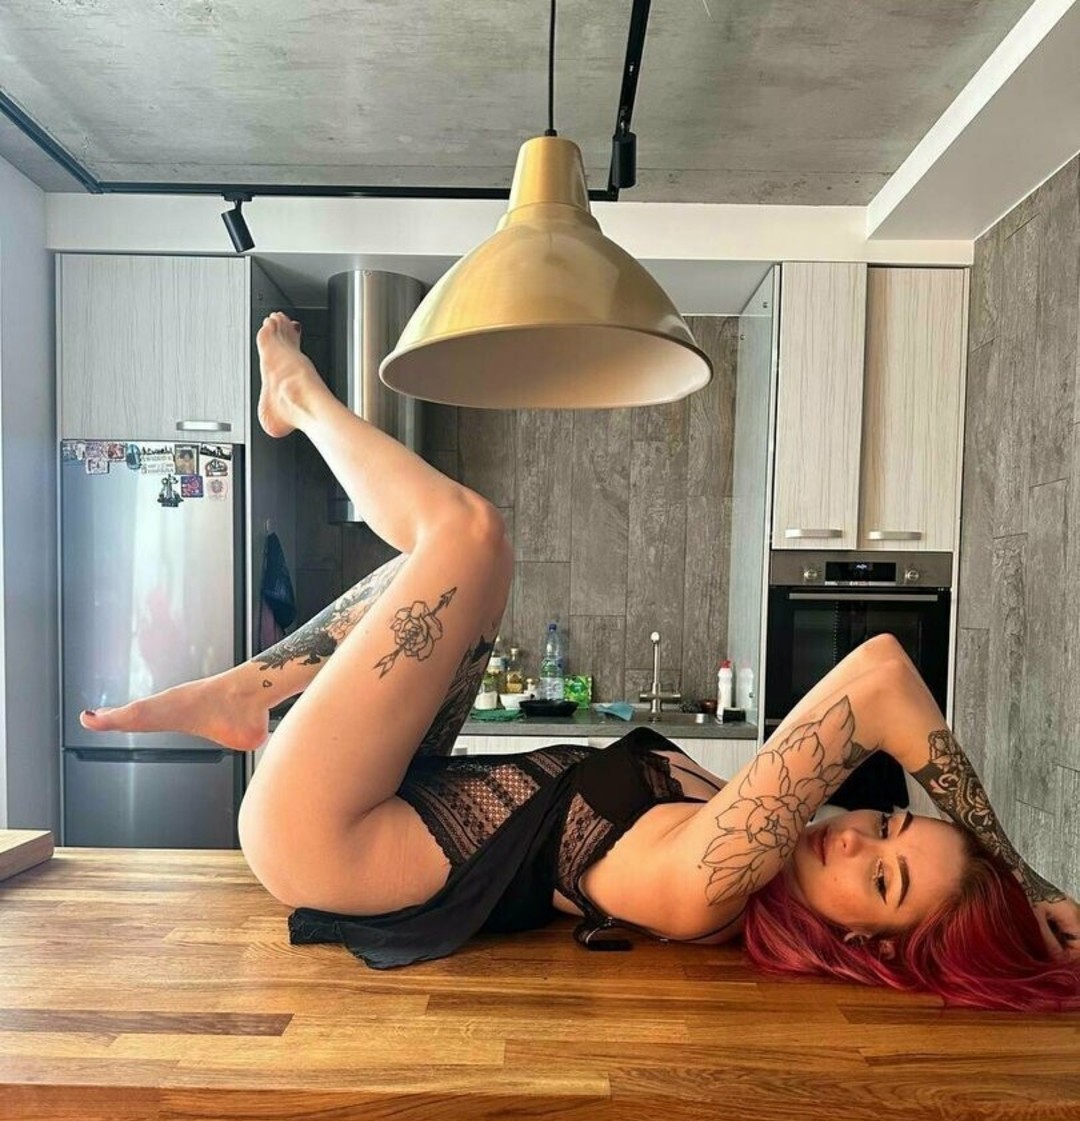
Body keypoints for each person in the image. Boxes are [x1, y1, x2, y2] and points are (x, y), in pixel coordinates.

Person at [80, 313, 1080, 1012]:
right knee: (473, 564)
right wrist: (1019, 874)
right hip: (385, 796)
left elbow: (880, 675)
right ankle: (249, 689)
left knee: (467, 535)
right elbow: (889, 683)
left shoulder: (707, 887)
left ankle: (300, 397)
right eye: (888, 822)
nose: (855, 839)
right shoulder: (751, 841)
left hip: (323, 836)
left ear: (866, 943)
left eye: (886, 880)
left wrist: (1018, 878)